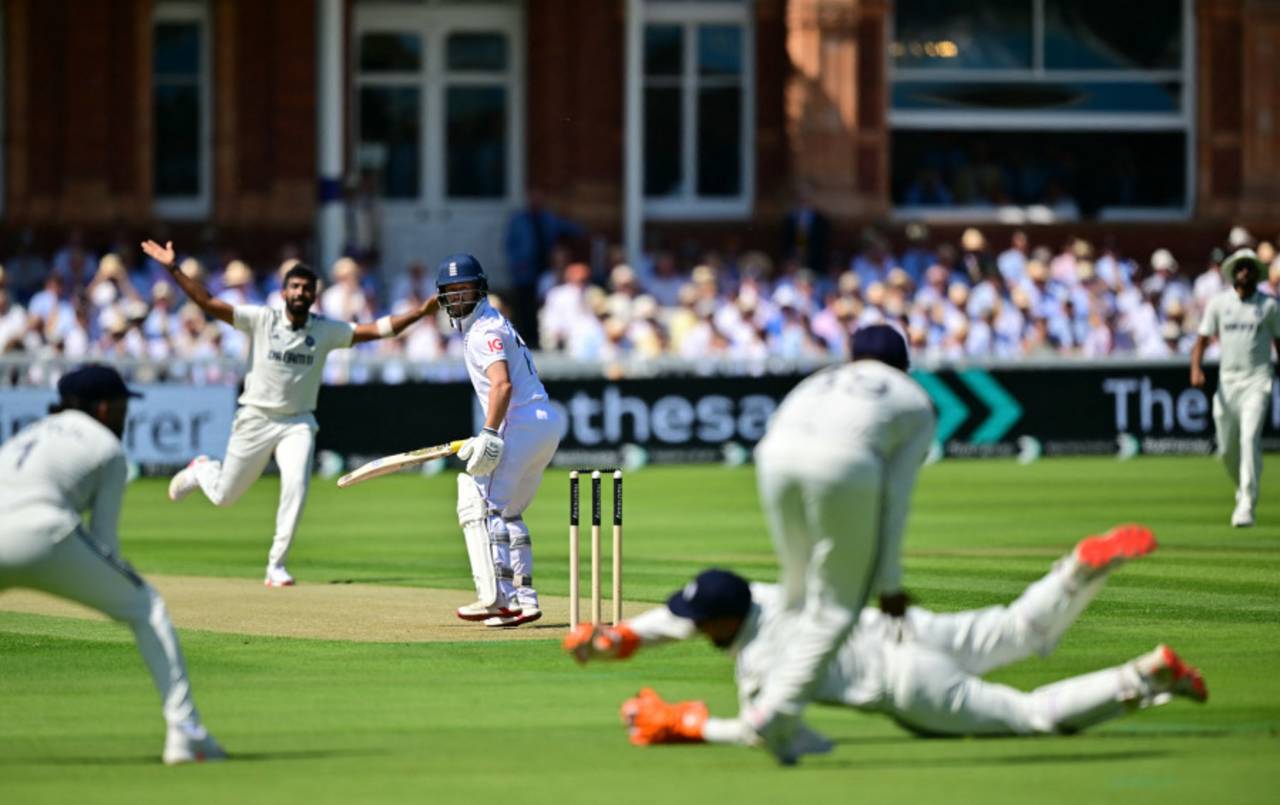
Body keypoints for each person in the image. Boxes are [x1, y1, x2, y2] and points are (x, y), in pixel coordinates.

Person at [564, 525, 1207, 758]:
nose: (694, 628)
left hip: (910, 685)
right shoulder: (760, 592)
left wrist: (686, 722)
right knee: (1020, 627)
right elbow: (684, 617)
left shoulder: (762, 663)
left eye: (702, 623)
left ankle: (1147, 675)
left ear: (723, 625)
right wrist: (615, 639)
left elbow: (768, 730)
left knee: (1034, 718)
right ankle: (1077, 569)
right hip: (906, 627)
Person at [141, 238, 439, 586]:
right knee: (224, 497)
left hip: (297, 422)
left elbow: (374, 330)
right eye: (294, 287)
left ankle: (275, 566)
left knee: (296, 482)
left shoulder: (325, 329)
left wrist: (419, 313)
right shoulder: (261, 319)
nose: (300, 292)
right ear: (283, 293)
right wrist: (173, 267)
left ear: (313, 296)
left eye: (306, 288)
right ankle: (202, 470)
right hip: (255, 417)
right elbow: (207, 301)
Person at [0, 365, 226, 765]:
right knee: (147, 608)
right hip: (44, 532)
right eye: (123, 407)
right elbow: (104, 542)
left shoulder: (28, 434)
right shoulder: (107, 446)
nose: (126, 415)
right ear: (104, 408)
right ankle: (185, 732)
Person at [746, 323, 935, 762]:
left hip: (774, 458)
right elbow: (896, 498)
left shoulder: (821, 379)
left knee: (794, 591)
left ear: (851, 357)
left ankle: (757, 698)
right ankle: (778, 714)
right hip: (844, 462)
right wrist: (889, 583)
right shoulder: (913, 400)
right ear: (903, 366)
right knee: (836, 607)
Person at [435, 253, 563, 628]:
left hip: (519, 423)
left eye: (465, 289)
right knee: (509, 512)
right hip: (545, 426)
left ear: (481, 288)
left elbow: (502, 383)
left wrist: (489, 432)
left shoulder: (484, 331)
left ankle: (500, 599)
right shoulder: (492, 321)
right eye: (451, 291)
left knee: (485, 503)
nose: (458, 298)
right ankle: (525, 600)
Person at [1190, 248, 1280, 527]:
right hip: (1227, 384)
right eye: (1239, 267)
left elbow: (1279, 342)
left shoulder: (1269, 306)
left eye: (1249, 268)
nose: (1244, 272)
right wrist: (1196, 368)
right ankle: (1243, 487)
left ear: (1255, 273)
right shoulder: (1218, 304)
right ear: (1232, 272)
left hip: (1258, 380)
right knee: (1227, 450)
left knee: (1249, 438)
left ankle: (1246, 506)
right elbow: (1202, 340)